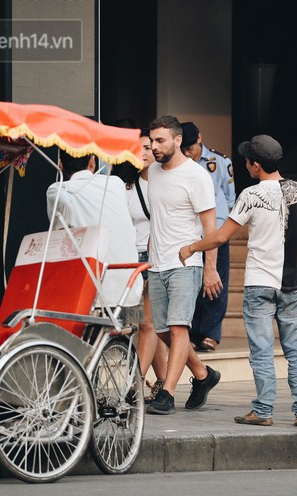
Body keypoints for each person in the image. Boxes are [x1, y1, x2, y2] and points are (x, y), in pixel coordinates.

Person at [178, 134, 297, 428]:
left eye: (248, 160)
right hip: (291, 285)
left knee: (262, 352)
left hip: (259, 285)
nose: (246, 164)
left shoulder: (250, 196)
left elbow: (223, 236)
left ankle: (263, 411)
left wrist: (191, 247)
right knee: (296, 351)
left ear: (255, 165)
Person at [145, 115, 222, 415]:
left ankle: (167, 393)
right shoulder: (152, 170)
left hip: (186, 263)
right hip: (157, 265)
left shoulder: (196, 176)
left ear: (177, 140)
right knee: (162, 330)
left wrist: (210, 269)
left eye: (160, 140)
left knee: (178, 329)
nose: (154, 146)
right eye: (152, 141)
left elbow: (210, 228)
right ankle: (203, 375)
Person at [111, 129, 169, 404]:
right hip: (129, 257)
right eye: (139, 148)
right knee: (148, 324)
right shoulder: (124, 186)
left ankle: (134, 384)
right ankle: (163, 383)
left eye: (148, 147)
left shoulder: (162, 182)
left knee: (147, 324)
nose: (144, 152)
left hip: (154, 257)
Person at [46, 152, 141, 314]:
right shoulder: (116, 183)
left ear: (60, 164)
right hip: (128, 284)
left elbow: (58, 231)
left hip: (89, 290)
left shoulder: (59, 190)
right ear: (92, 162)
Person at [180, 122, 236, 352]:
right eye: (184, 149)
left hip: (216, 232)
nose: (187, 153)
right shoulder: (180, 165)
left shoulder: (220, 162)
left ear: (200, 139)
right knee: (192, 285)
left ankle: (211, 334)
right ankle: (192, 333)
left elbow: (230, 197)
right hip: (190, 234)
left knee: (216, 284)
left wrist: (224, 229)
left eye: (191, 148)